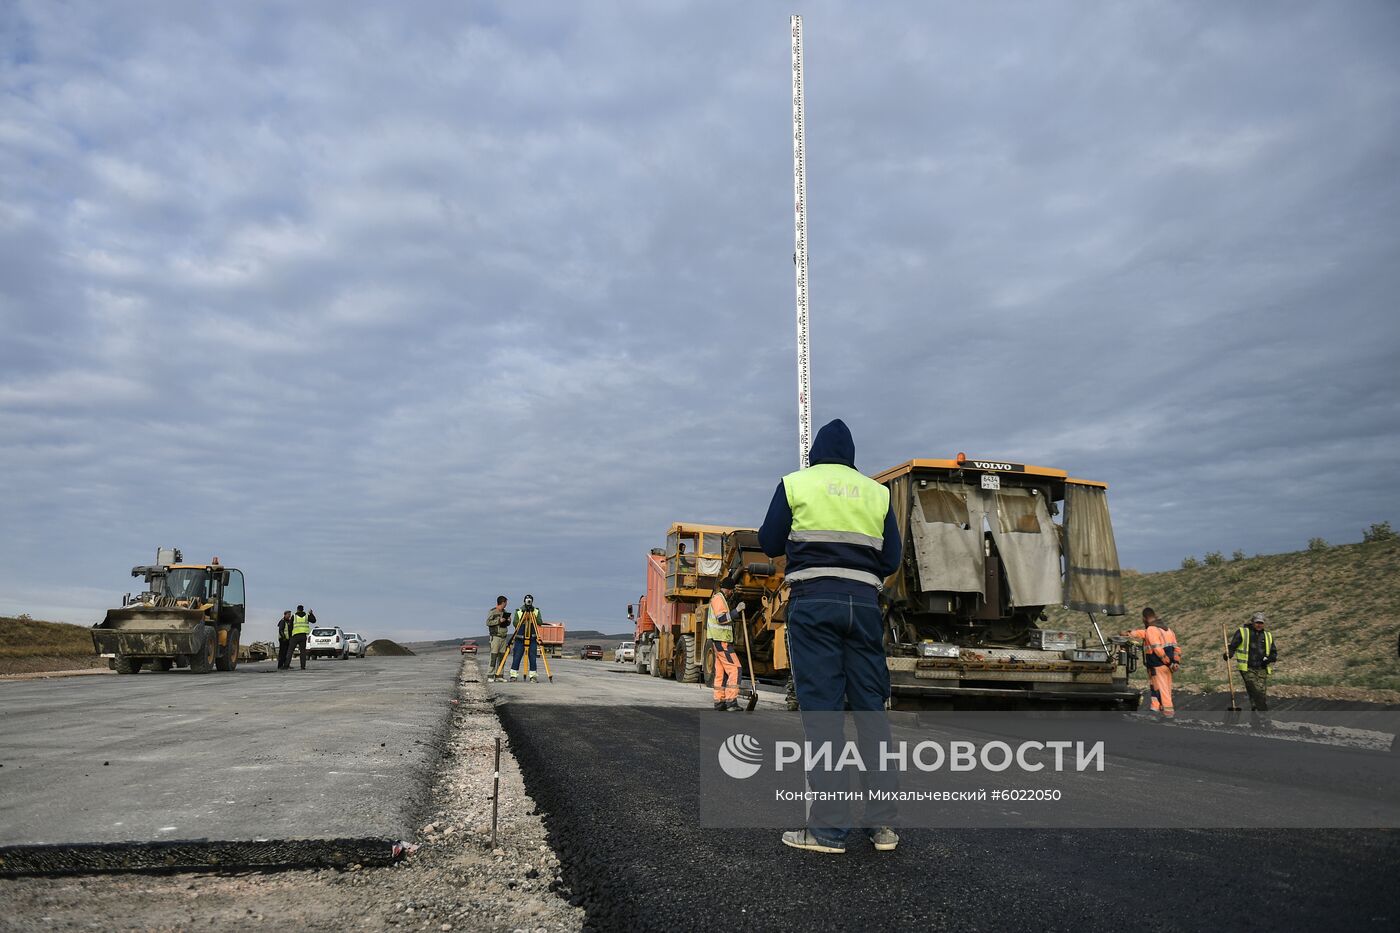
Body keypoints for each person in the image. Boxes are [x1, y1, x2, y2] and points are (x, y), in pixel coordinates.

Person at [758, 418, 903, 855]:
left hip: (815, 602)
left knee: (824, 716)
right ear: (852, 458)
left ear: (814, 453)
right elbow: (892, 557)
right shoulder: (877, 493)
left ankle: (828, 830)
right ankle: (883, 827)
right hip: (863, 606)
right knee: (871, 712)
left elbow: (768, 541)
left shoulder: (796, 484)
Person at [1121, 607, 1180, 718]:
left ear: (1144, 618)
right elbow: (1177, 649)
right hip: (1167, 666)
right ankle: (1155, 709)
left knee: (1162, 690)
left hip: (1158, 665)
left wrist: (1168, 662)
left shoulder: (1151, 630)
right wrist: (1175, 662)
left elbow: (1157, 650)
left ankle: (1168, 714)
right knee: (1156, 688)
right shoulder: (1168, 630)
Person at [1226, 612, 1277, 712]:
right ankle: (1263, 713)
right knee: (1254, 688)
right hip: (1247, 668)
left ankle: (1255, 712)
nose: (1259, 625)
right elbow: (1233, 646)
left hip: (1262, 668)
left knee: (1260, 693)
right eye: (1257, 622)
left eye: (1261, 623)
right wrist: (1229, 654)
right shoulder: (1243, 632)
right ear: (1252, 622)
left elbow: (1274, 652)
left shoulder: (1268, 635)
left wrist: (1269, 659)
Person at [707, 581, 741, 711]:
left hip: (719, 641)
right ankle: (731, 701)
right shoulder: (719, 599)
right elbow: (722, 619)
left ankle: (719, 701)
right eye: (731, 590)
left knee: (721, 673)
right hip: (722, 641)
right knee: (735, 669)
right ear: (727, 589)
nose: (732, 593)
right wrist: (736, 611)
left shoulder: (718, 599)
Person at [508, 594, 542, 683]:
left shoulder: (536, 611)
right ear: (524, 601)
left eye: (530, 600)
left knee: (533, 658)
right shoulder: (519, 611)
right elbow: (515, 623)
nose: (528, 602)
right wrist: (523, 619)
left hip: (532, 638)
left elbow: (539, 622)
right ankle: (513, 675)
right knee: (517, 657)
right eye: (527, 600)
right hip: (520, 638)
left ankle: (533, 676)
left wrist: (533, 616)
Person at [486, 596, 510, 682]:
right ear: (502, 603)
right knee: (493, 656)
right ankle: (490, 675)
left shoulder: (505, 612)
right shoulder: (492, 612)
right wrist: (499, 621)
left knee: (502, 657)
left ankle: (499, 675)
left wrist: (508, 621)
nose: (506, 604)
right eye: (506, 603)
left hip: (503, 637)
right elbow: (488, 622)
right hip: (495, 637)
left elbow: (506, 624)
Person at [290, 605, 312, 670]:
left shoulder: (294, 616)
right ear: (303, 609)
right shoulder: (306, 616)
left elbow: (290, 626)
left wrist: (290, 635)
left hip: (295, 635)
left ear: (297, 609)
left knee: (290, 651)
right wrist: (311, 613)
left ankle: (286, 665)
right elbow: (314, 620)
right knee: (303, 652)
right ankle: (303, 666)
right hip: (303, 636)